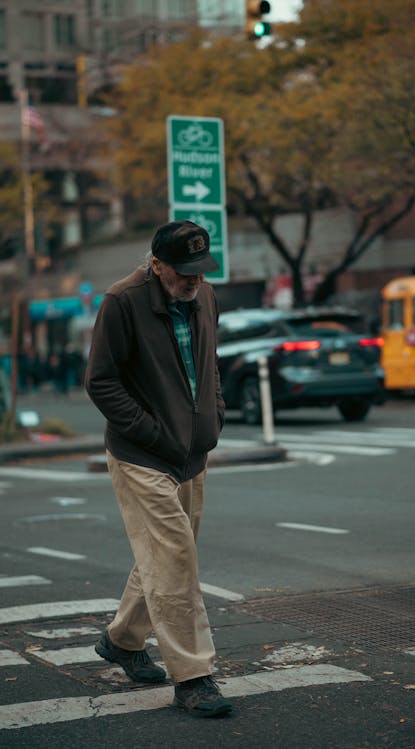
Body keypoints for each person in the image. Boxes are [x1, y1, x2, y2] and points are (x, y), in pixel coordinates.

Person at [85, 220, 231, 718]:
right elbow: (101, 382)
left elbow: (209, 365)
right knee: (174, 559)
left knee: (170, 553)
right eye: (183, 272)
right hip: (141, 453)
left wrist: (215, 412)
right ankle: (193, 676)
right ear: (156, 263)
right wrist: (149, 431)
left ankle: (122, 640)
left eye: (199, 271)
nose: (193, 281)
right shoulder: (122, 302)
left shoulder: (207, 297)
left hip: (192, 452)